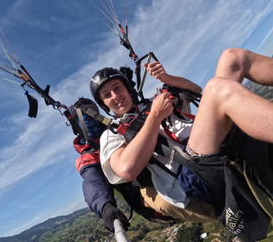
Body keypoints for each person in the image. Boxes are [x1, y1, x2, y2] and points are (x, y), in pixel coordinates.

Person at [90, 48, 273, 241]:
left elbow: (199, 92)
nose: (115, 95)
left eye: (117, 87)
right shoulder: (111, 135)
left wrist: (167, 80)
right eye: (107, 95)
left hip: (206, 149)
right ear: (104, 104)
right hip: (193, 180)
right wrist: (154, 118)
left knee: (232, 59)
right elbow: (126, 169)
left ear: (127, 87)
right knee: (218, 91)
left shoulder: (152, 103)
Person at [69, 98, 216, 234]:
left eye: (89, 114)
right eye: (81, 119)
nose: (88, 120)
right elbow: (93, 182)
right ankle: (222, 213)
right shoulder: (89, 157)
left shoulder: (118, 126)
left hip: (169, 169)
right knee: (167, 204)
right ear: (76, 126)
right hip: (144, 192)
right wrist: (105, 206)